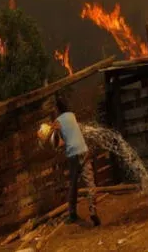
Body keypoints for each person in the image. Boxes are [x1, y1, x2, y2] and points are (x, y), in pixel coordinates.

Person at [51, 96, 101, 227]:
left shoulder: (57, 121)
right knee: (90, 182)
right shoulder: (72, 116)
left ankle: (72, 214)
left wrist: (55, 131)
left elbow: (58, 143)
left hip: (73, 154)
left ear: (57, 108)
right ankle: (93, 210)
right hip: (84, 151)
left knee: (73, 185)